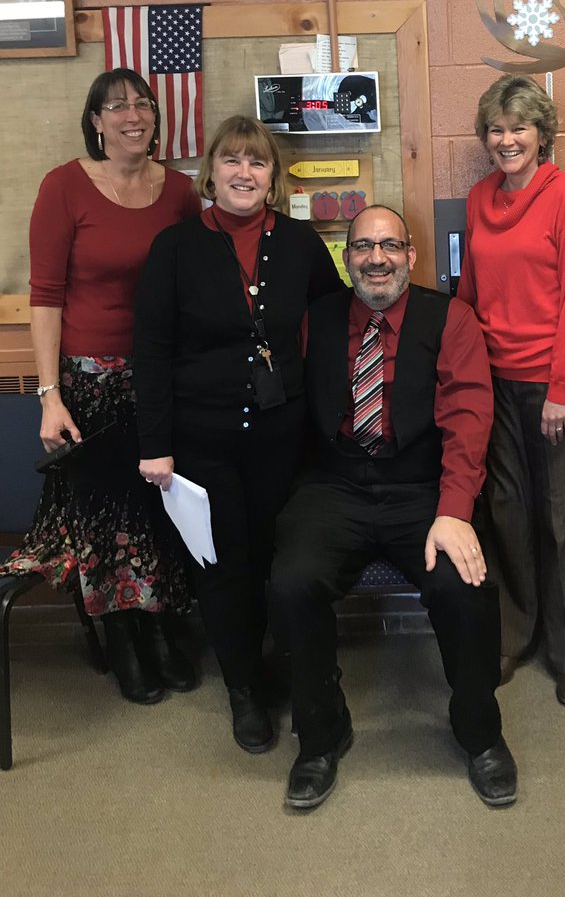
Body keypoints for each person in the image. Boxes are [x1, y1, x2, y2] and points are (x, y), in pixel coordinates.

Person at [269, 205, 517, 810]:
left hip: (421, 489)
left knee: (464, 585)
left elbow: (468, 417)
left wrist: (454, 510)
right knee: (292, 583)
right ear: (346, 257)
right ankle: (321, 734)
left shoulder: (451, 318)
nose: (375, 258)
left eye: (388, 246)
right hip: (336, 487)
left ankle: (479, 732)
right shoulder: (317, 319)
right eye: (362, 246)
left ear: (411, 254)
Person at [134, 115, 343, 753]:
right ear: (212, 173)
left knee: (275, 558)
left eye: (256, 162)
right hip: (202, 441)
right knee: (223, 566)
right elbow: (152, 350)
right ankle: (244, 689)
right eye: (232, 160)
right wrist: (154, 444)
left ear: (273, 177)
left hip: (282, 437)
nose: (244, 173)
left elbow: (332, 323)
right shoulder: (175, 248)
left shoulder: (301, 242)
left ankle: (278, 664)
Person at [1, 68, 200, 704]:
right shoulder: (63, 187)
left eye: (141, 104)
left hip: (161, 380)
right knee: (105, 517)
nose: (131, 115)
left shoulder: (180, 192)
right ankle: (122, 641)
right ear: (95, 120)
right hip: (88, 385)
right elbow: (46, 296)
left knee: (156, 511)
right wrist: (49, 396)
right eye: (116, 106)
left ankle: (161, 629)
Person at [457, 75, 565, 707]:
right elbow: (469, 289)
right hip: (493, 380)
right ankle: (514, 633)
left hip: (553, 383)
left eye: (519, 127)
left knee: (562, 520)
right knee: (507, 511)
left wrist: (562, 386)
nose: (507, 139)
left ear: (542, 134)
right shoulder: (478, 198)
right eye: (496, 128)